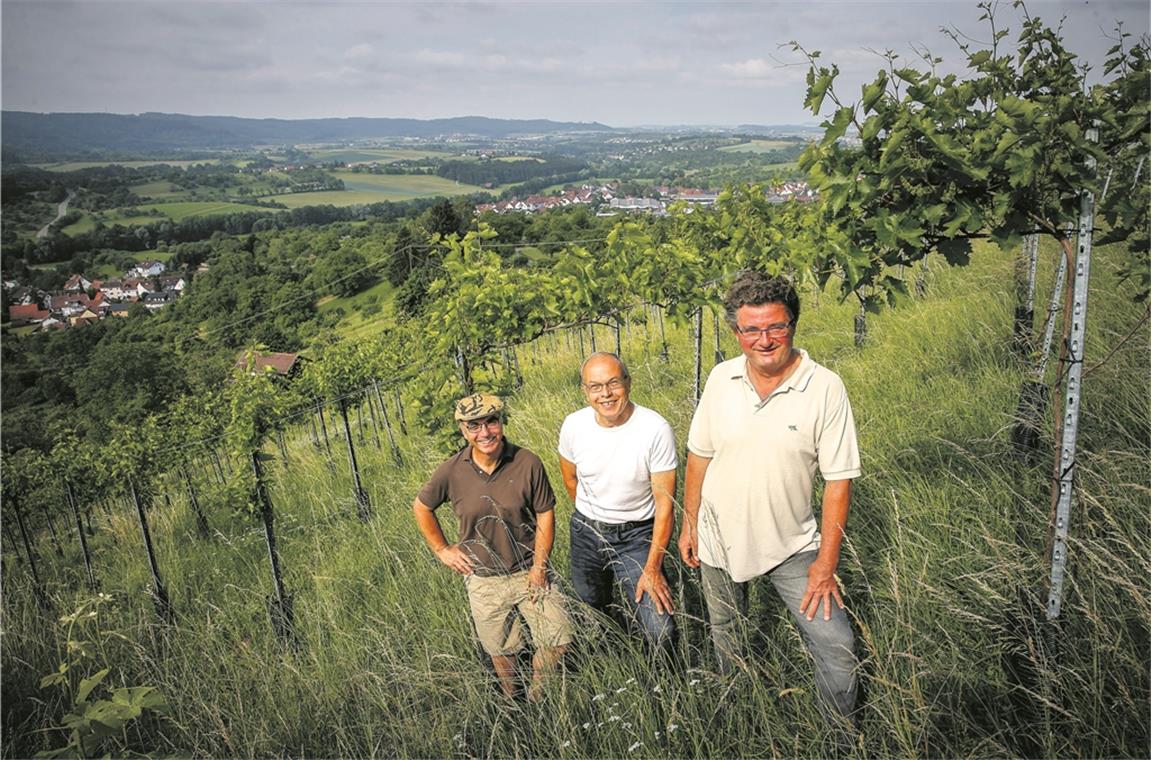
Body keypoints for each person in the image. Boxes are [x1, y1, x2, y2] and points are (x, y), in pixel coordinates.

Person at [677, 270, 861, 719]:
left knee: (838, 645)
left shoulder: (824, 388)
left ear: (793, 325)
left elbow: (839, 481)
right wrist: (690, 522)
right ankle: (738, 719)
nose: (764, 340)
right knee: (727, 636)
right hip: (717, 539)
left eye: (775, 326)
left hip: (792, 546)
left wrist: (826, 565)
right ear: (737, 331)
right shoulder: (722, 378)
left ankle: (842, 738)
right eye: (751, 329)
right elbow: (699, 455)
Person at [413, 392, 572, 700]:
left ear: (501, 422)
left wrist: (540, 567)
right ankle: (512, 699)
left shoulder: (527, 462)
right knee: (502, 651)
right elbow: (421, 507)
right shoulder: (451, 471)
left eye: (491, 422)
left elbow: (545, 514)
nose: (484, 433)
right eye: (474, 426)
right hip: (483, 578)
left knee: (558, 640)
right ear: (463, 430)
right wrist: (442, 549)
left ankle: (538, 693)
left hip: (530, 570)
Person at [558, 352, 678, 656]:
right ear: (585, 391)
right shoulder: (574, 425)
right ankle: (619, 648)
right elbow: (570, 480)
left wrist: (652, 567)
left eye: (613, 383)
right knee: (591, 606)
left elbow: (665, 506)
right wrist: (596, 519)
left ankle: (664, 685)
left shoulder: (654, 429)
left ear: (628, 382)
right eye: (595, 386)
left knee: (660, 628)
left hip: (636, 537)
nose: (606, 394)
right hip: (586, 532)